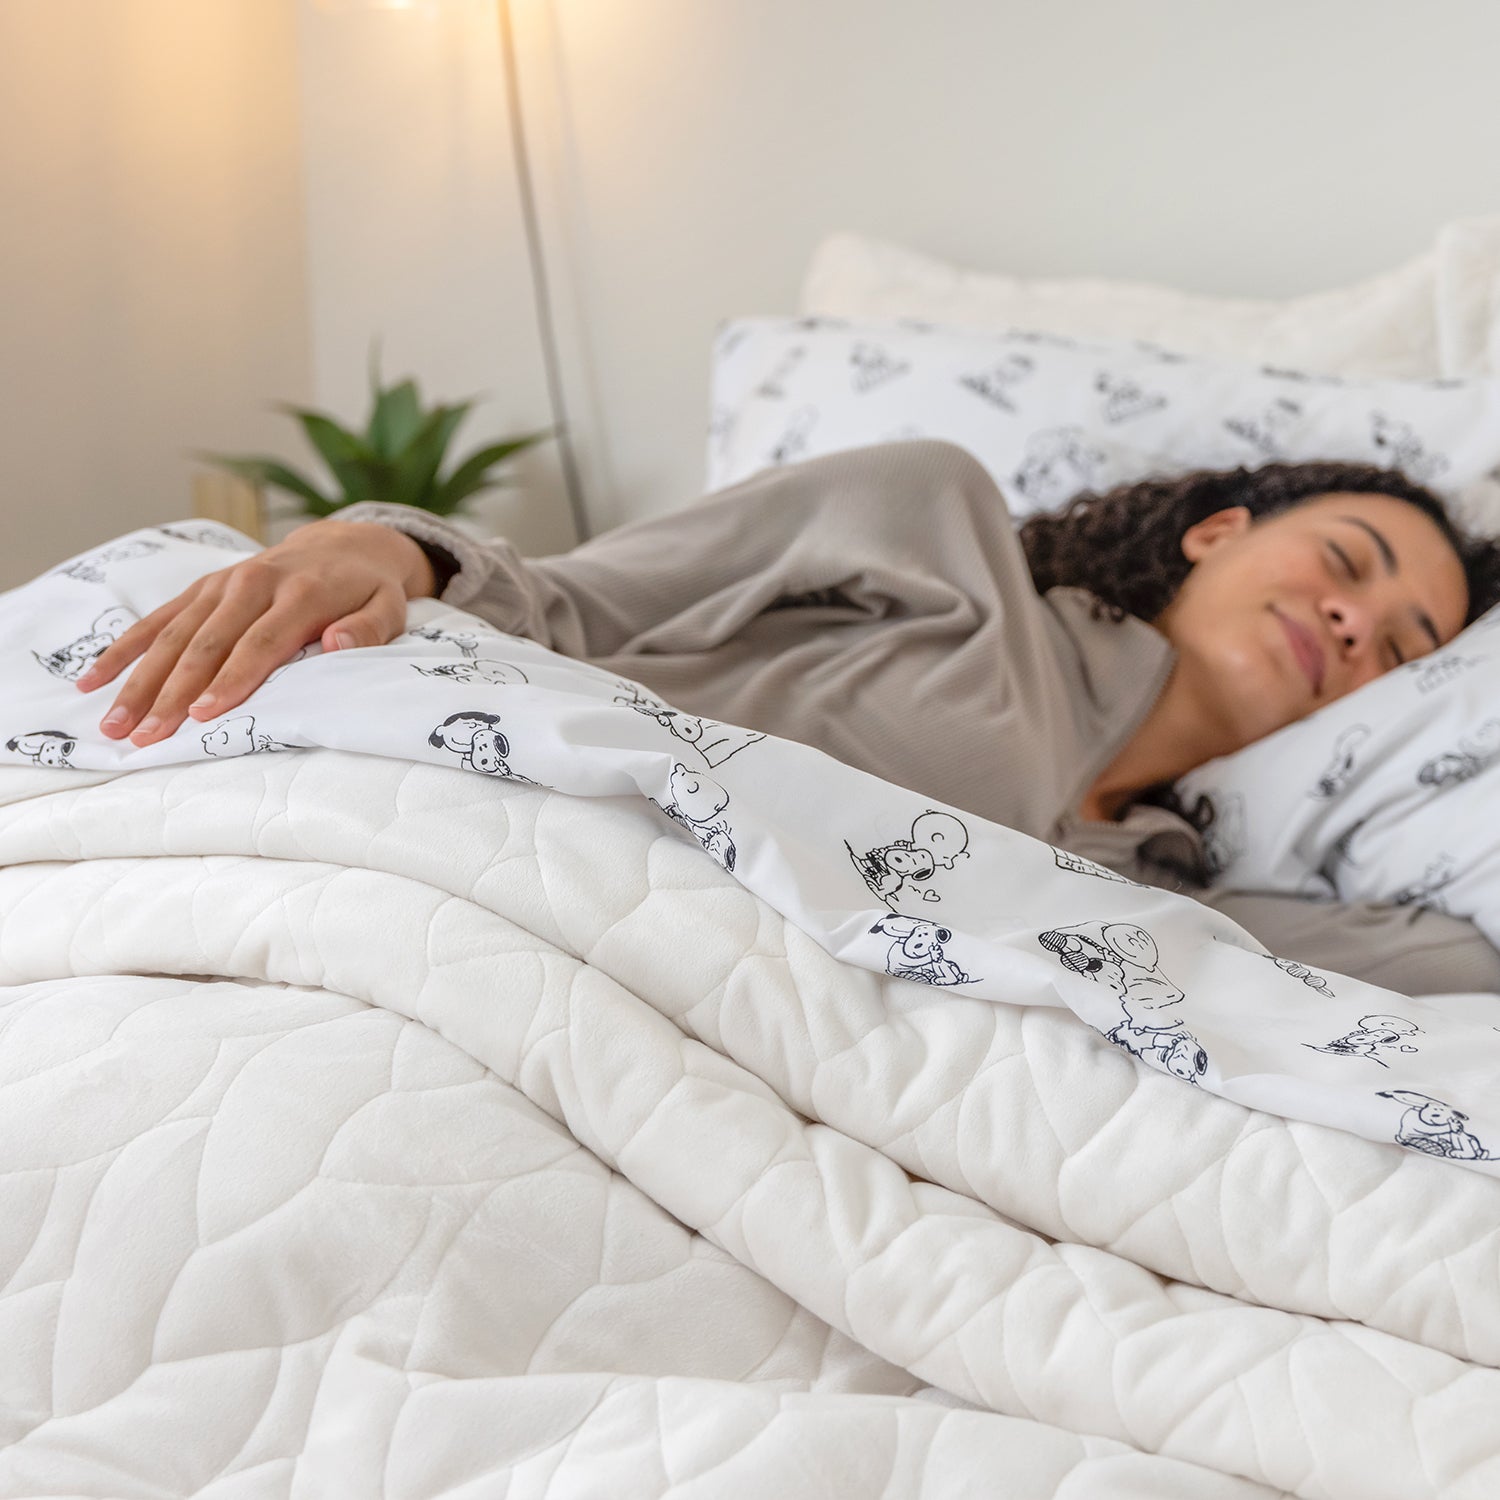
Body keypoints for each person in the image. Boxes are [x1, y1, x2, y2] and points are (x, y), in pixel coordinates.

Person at [73, 440, 1500, 993]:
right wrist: (379, 546)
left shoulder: (1176, 889)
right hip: (483, 878)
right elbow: (572, 602)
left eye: (1406, 644)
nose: (1356, 620)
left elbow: (1445, 969)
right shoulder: (939, 525)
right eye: (1348, 560)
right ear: (1216, 531)